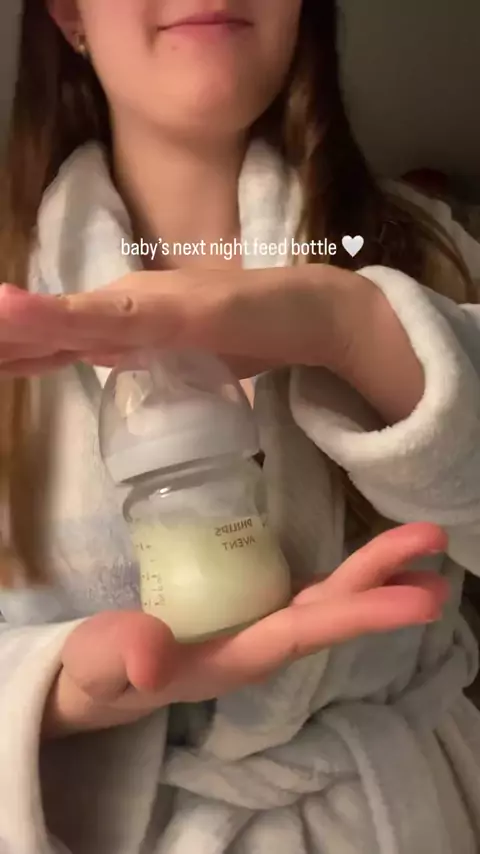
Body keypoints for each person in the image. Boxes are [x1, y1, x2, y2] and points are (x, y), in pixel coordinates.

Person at [0, 1, 479, 852]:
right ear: (70, 13)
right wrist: (63, 687)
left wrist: (352, 332)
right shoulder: (9, 309)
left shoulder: (424, 247)